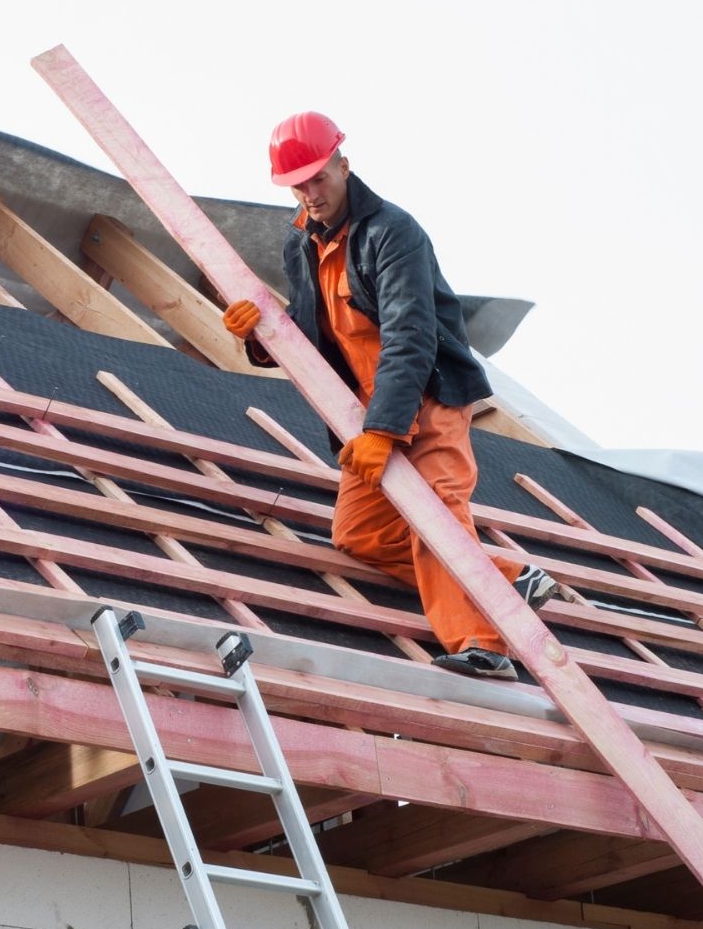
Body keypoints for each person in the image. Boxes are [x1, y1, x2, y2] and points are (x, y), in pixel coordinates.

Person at [223, 111, 557, 680]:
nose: (310, 193)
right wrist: (260, 336)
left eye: (318, 178)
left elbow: (412, 334)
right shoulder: (299, 240)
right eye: (297, 185)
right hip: (363, 411)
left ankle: (486, 646)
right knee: (360, 534)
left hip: (425, 398)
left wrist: (384, 431)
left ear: (344, 166)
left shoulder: (391, 232)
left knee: (437, 518)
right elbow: (312, 332)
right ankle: (506, 580)